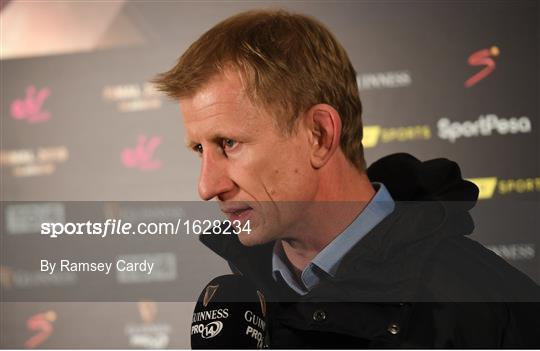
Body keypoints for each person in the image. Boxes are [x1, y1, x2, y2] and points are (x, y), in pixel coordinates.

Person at [154, 9, 540, 348]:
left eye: (229, 143)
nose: (206, 187)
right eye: (200, 150)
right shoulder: (239, 306)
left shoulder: (492, 307)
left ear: (318, 136)